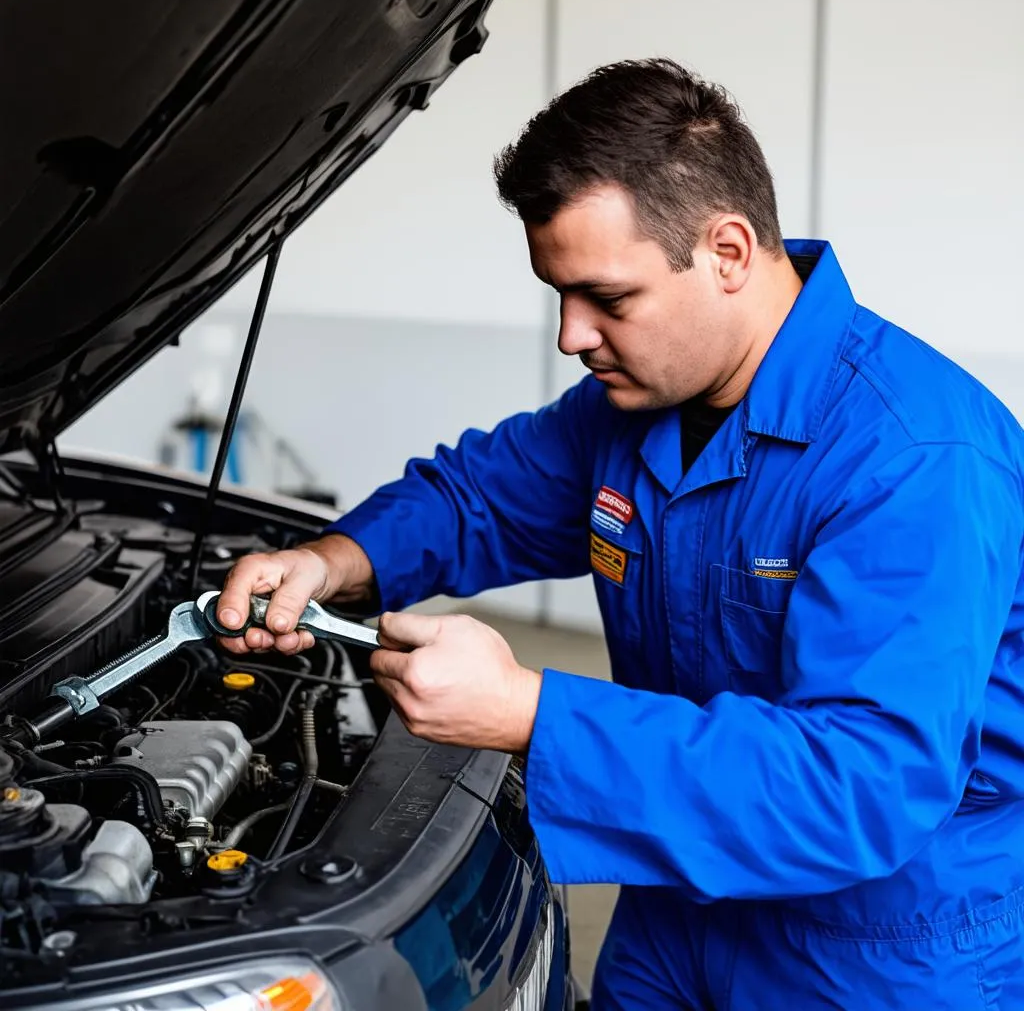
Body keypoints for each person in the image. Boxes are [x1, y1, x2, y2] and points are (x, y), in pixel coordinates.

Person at [215, 59, 1024, 1009]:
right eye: (558, 294)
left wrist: (527, 712)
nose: (572, 335)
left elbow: (859, 787)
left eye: (608, 298)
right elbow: (481, 496)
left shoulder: (913, 456)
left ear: (726, 252)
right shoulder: (635, 409)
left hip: (880, 942)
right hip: (680, 899)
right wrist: (333, 562)